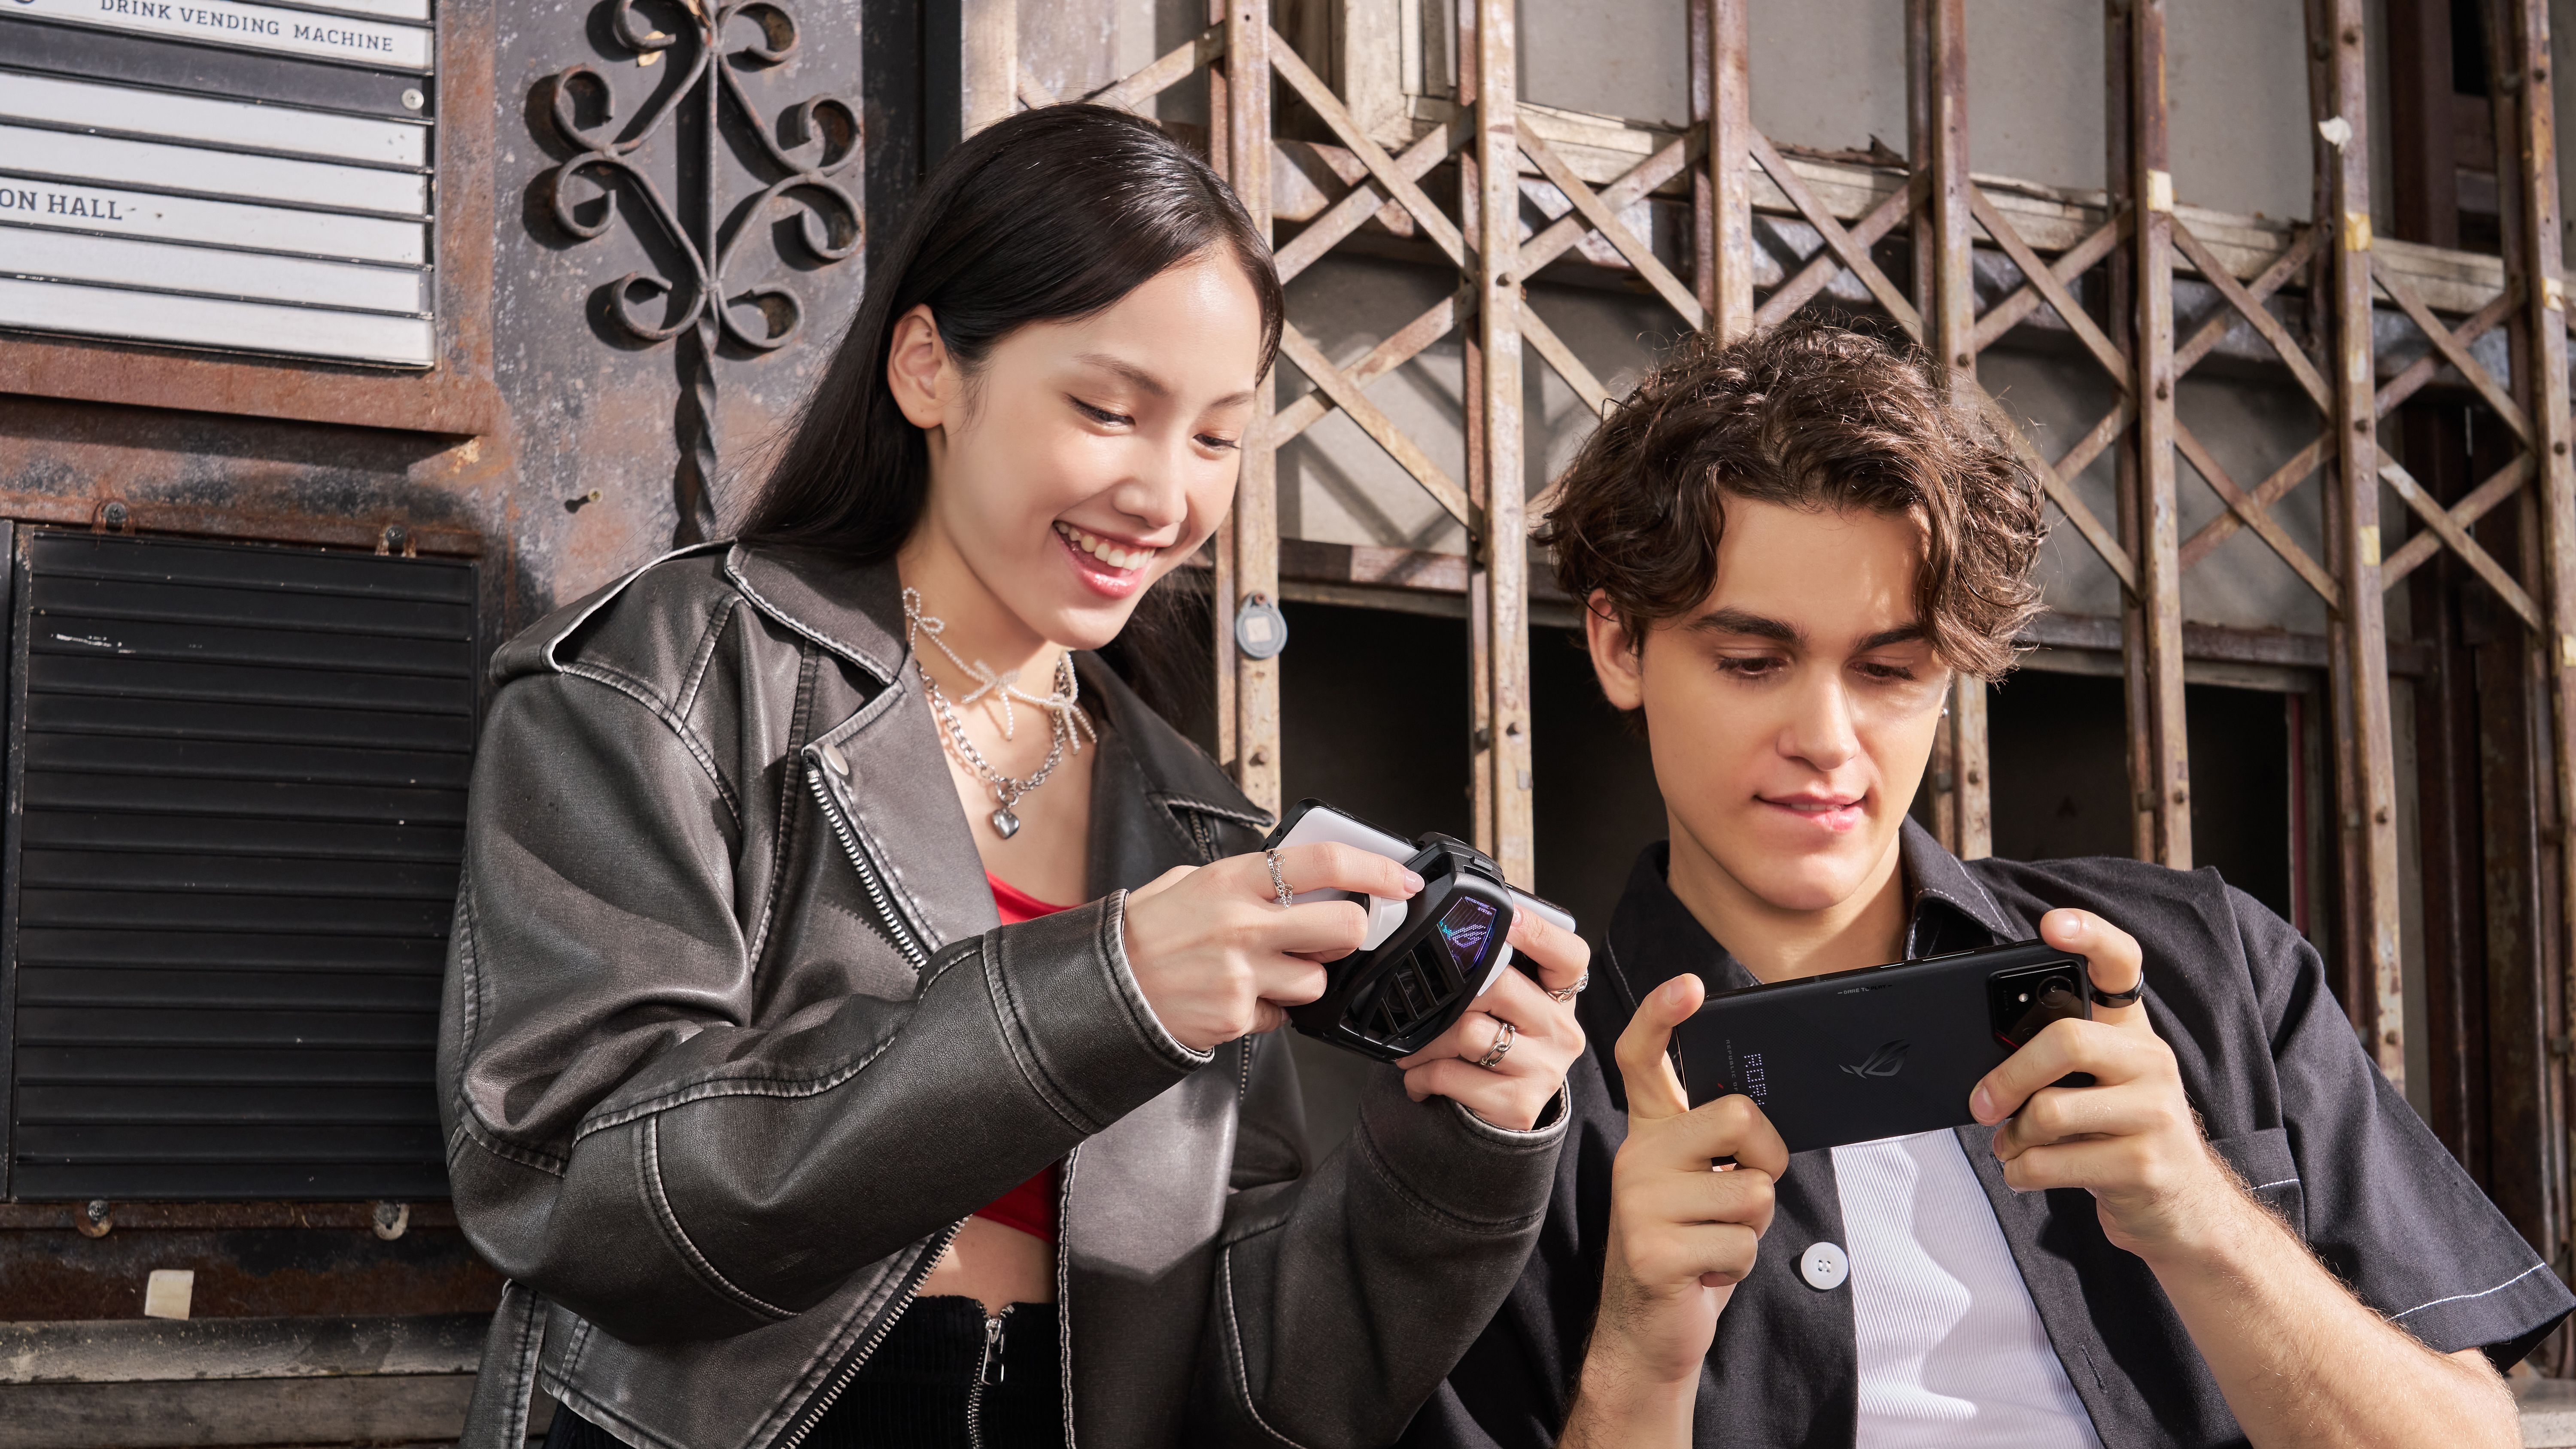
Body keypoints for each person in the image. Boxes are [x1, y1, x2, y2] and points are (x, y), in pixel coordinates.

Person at [436, 104, 1588, 1449]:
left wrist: (1457, 1154)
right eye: (1109, 410)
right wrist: (1107, 993)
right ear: (928, 369)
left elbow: (1265, 1395)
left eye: (1218, 437)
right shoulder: (677, 672)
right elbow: (571, 1184)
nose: (1165, 496)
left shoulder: (1194, 820)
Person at [1402, 319, 2573, 1449]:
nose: (1828, 736)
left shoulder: (2207, 968)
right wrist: (1641, 1357)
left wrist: (2205, 1222)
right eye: (1753, 663)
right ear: (1620, 646)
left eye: (1891, 670)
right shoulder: (1515, 1106)